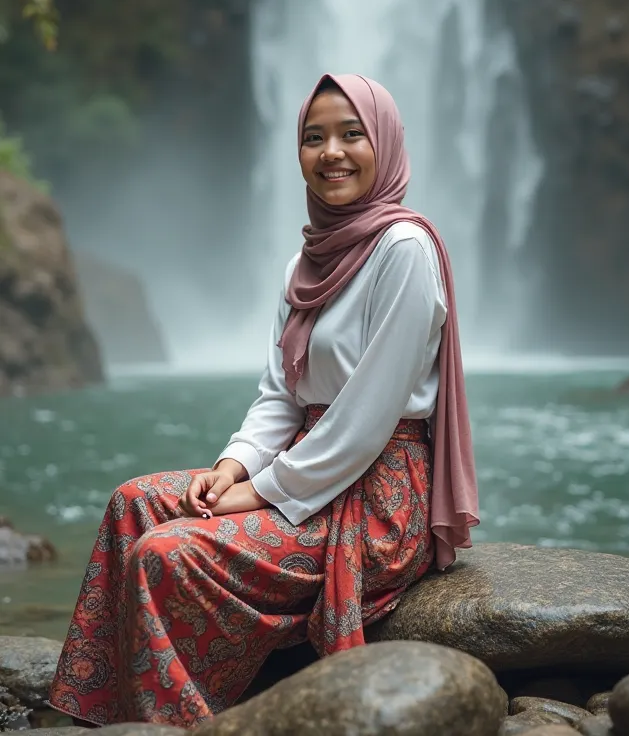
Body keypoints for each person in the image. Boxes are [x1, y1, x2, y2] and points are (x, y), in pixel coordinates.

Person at [49, 73, 479, 729]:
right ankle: (105, 713)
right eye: (313, 138)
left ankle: (189, 720)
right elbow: (280, 392)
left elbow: (366, 421)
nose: (331, 152)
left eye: (350, 134)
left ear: (385, 143)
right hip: (310, 469)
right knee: (132, 505)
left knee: (167, 554)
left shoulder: (404, 251)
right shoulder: (305, 262)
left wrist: (265, 491)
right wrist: (235, 467)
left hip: (381, 497)